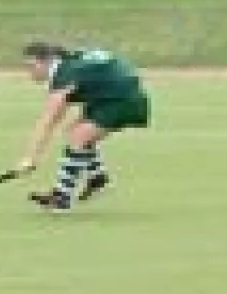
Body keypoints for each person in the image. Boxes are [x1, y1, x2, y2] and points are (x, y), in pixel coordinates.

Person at [18, 42, 152, 211]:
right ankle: (97, 179)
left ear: (47, 61)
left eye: (31, 66)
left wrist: (30, 158)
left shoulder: (64, 73)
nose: (29, 72)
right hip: (111, 97)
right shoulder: (69, 64)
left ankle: (62, 198)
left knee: (78, 136)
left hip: (121, 100)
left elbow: (48, 120)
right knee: (75, 132)